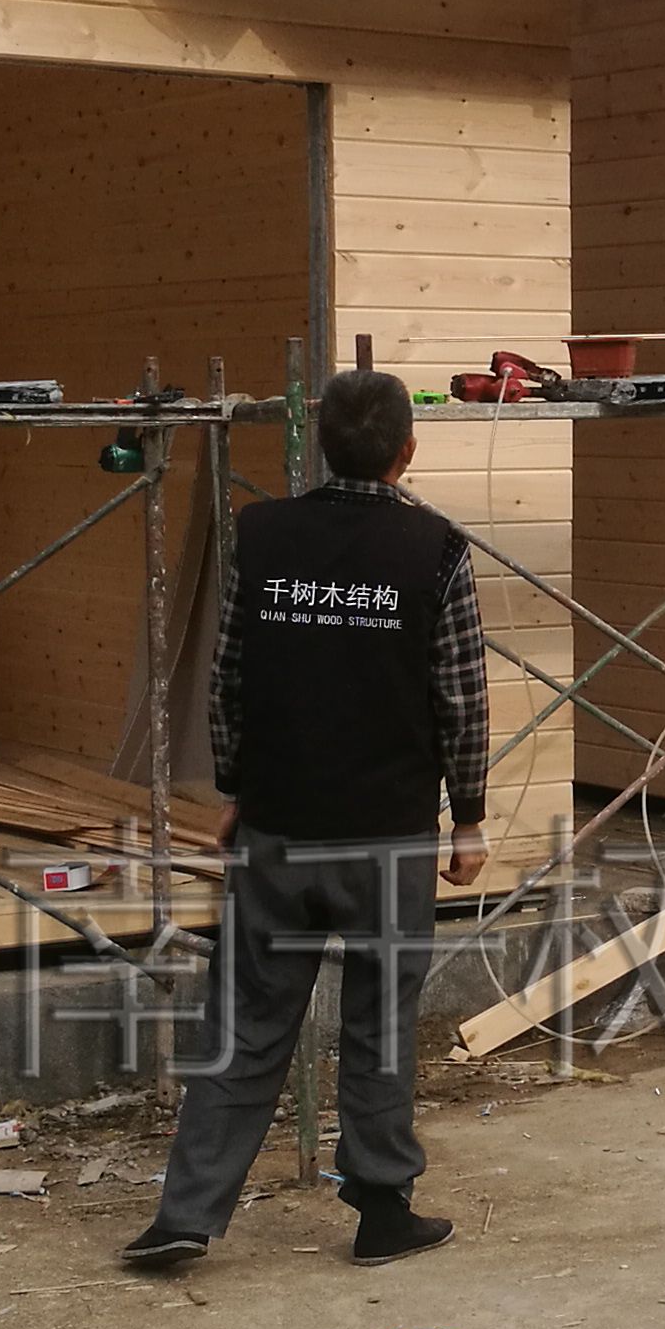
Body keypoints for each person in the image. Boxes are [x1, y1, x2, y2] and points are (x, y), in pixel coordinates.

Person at [124, 367, 486, 1277]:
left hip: (279, 829)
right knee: (379, 1022)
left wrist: (238, 791)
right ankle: (381, 1209)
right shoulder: (436, 550)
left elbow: (230, 678)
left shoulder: (264, 534)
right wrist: (469, 819)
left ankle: (185, 1214)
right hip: (387, 835)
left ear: (320, 446)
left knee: (246, 1021)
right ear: (408, 451)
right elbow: (460, 697)